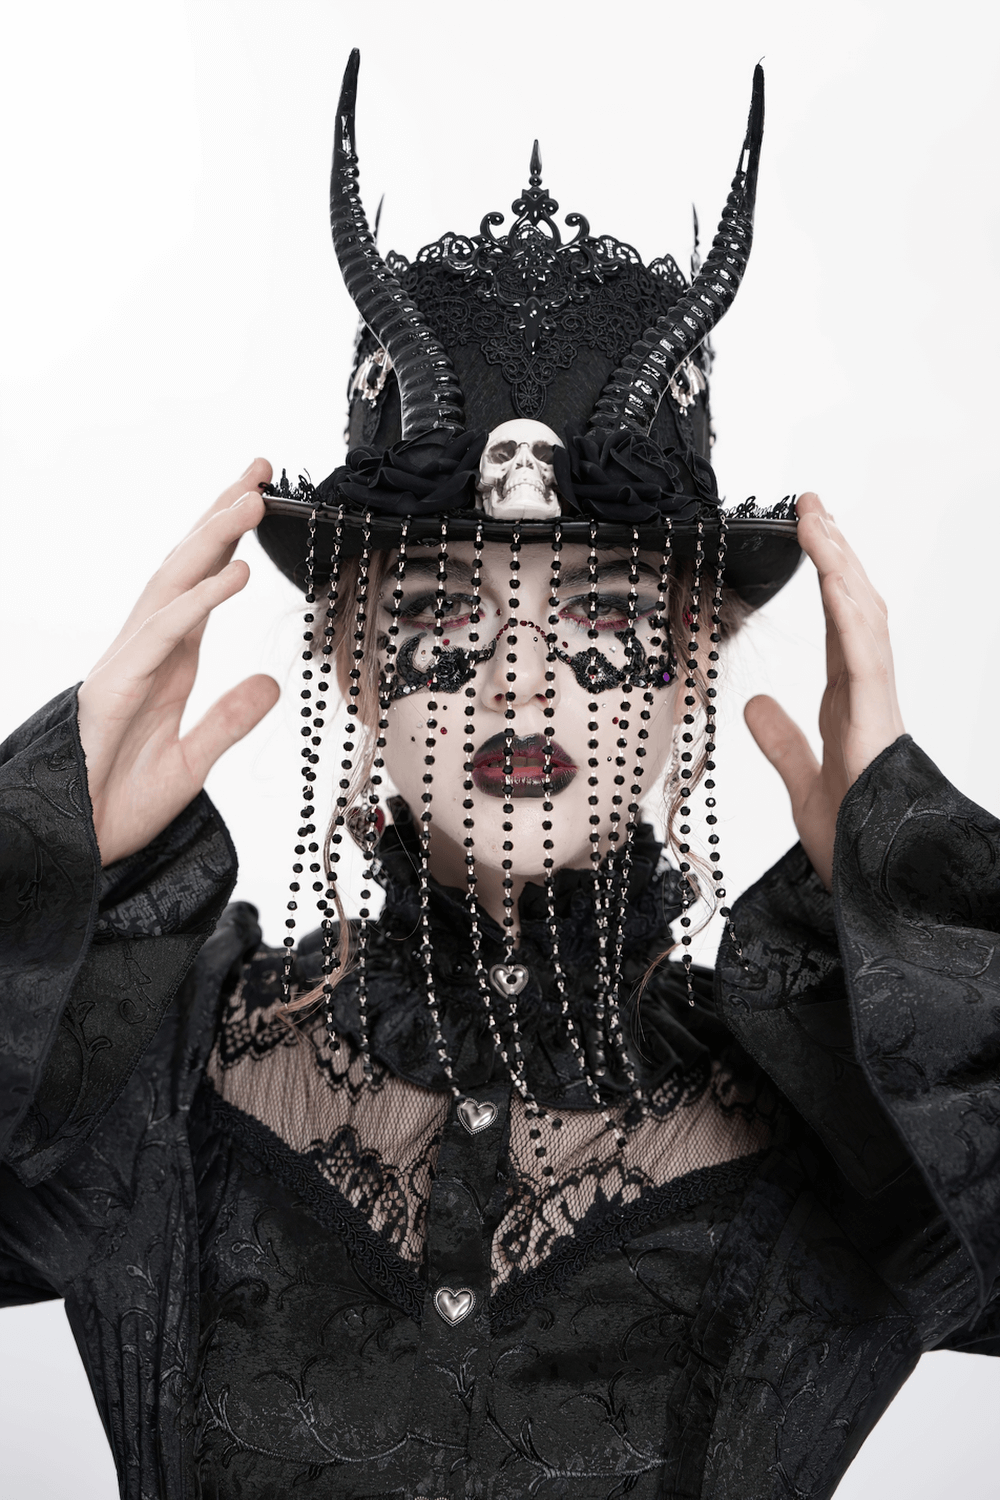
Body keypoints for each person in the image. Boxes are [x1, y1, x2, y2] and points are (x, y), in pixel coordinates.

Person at [2, 49, 999, 1500]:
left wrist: (919, 892)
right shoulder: (153, 1051)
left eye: (600, 620)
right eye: (439, 618)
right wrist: (37, 851)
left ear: (692, 674)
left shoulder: (848, 1106)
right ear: (348, 667)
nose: (518, 680)